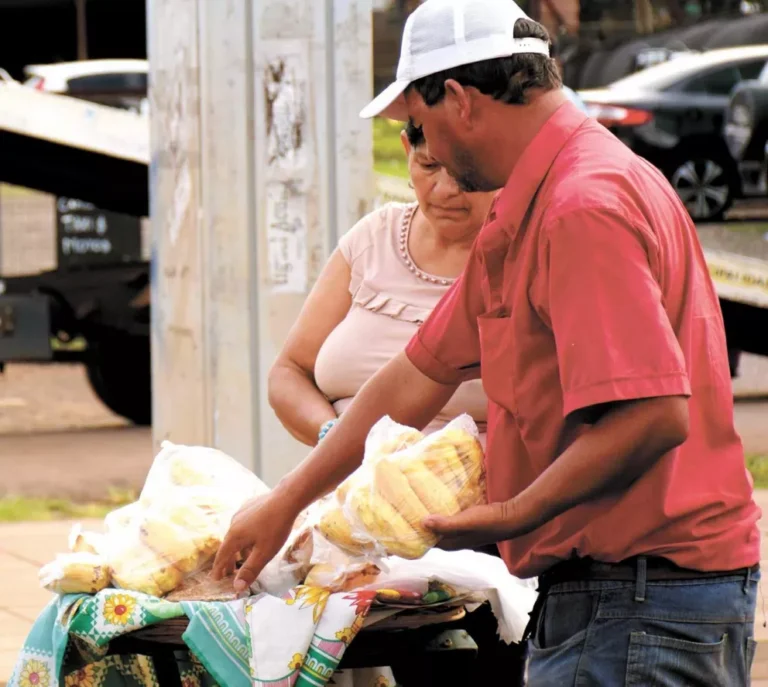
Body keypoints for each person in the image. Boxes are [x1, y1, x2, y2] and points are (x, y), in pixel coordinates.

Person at [214, 1, 761, 684]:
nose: (428, 150)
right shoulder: (528, 206)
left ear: (462, 101)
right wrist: (287, 499)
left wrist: (508, 513)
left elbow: (652, 415)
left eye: (422, 123)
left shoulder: (581, 206)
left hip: (642, 595)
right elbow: (414, 376)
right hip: (614, 594)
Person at [268, 120, 490, 449]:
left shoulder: (523, 256)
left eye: (465, 172)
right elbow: (289, 372)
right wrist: (336, 438)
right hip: (351, 488)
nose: (444, 189)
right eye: (428, 165)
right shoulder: (374, 238)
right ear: (406, 149)